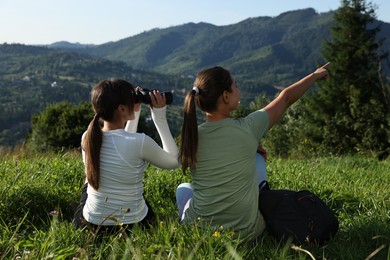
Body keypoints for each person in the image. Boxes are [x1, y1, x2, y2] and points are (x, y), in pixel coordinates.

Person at [176, 64, 329, 241]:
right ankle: (262, 190)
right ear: (225, 96)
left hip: (199, 231)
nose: (238, 91)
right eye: (236, 86)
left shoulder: (192, 136)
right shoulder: (248, 128)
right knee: (257, 158)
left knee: (183, 189)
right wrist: (315, 75)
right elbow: (286, 98)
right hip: (247, 233)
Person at [73, 78, 180, 234]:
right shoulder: (140, 142)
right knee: (133, 189)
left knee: (88, 184)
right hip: (133, 226)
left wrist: (134, 112)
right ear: (122, 109)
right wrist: (159, 117)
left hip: (90, 226)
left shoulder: (87, 137)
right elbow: (173, 162)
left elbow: (123, 143)